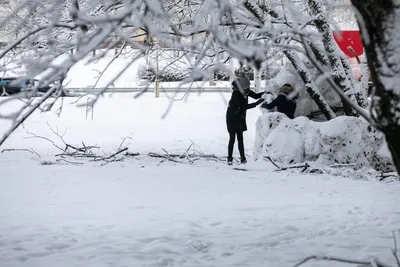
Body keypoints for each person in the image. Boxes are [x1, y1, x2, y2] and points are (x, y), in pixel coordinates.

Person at [226, 69, 264, 165]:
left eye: (248, 87)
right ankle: (229, 158)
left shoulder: (245, 91)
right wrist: (256, 104)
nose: (247, 89)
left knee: (240, 138)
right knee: (232, 138)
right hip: (232, 117)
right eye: (246, 88)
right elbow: (243, 106)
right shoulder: (236, 94)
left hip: (240, 117)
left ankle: (243, 158)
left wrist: (265, 93)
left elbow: (255, 95)